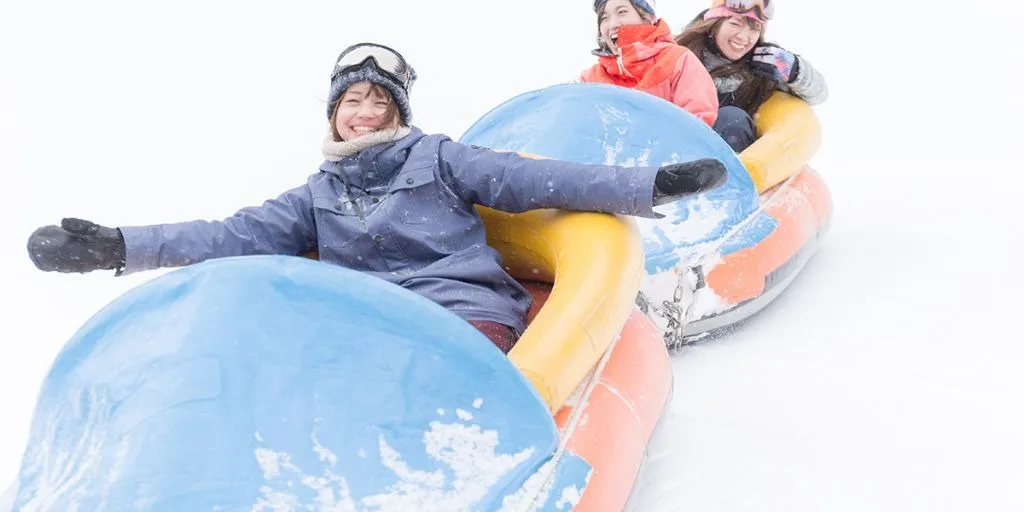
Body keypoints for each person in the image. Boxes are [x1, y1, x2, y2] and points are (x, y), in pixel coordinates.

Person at [27, 42, 728, 354]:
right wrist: (115, 246)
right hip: (367, 322)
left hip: (461, 312)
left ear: (397, 111)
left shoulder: (440, 157)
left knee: (441, 368)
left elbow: (540, 181)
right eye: (351, 100)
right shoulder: (317, 194)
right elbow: (225, 235)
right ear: (334, 113)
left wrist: (650, 184)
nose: (362, 111)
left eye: (377, 100)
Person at [675, 0, 828, 152]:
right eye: (735, 24)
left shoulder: (762, 67)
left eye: (754, 29)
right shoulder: (678, 54)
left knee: (732, 118)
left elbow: (819, 94)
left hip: (728, 157)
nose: (743, 37)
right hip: (674, 148)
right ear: (715, 23)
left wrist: (794, 70)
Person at [580, 0, 719, 127]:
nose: (612, 24)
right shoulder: (590, 78)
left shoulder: (677, 60)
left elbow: (697, 123)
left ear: (647, 17)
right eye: (604, 18)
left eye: (622, 12)